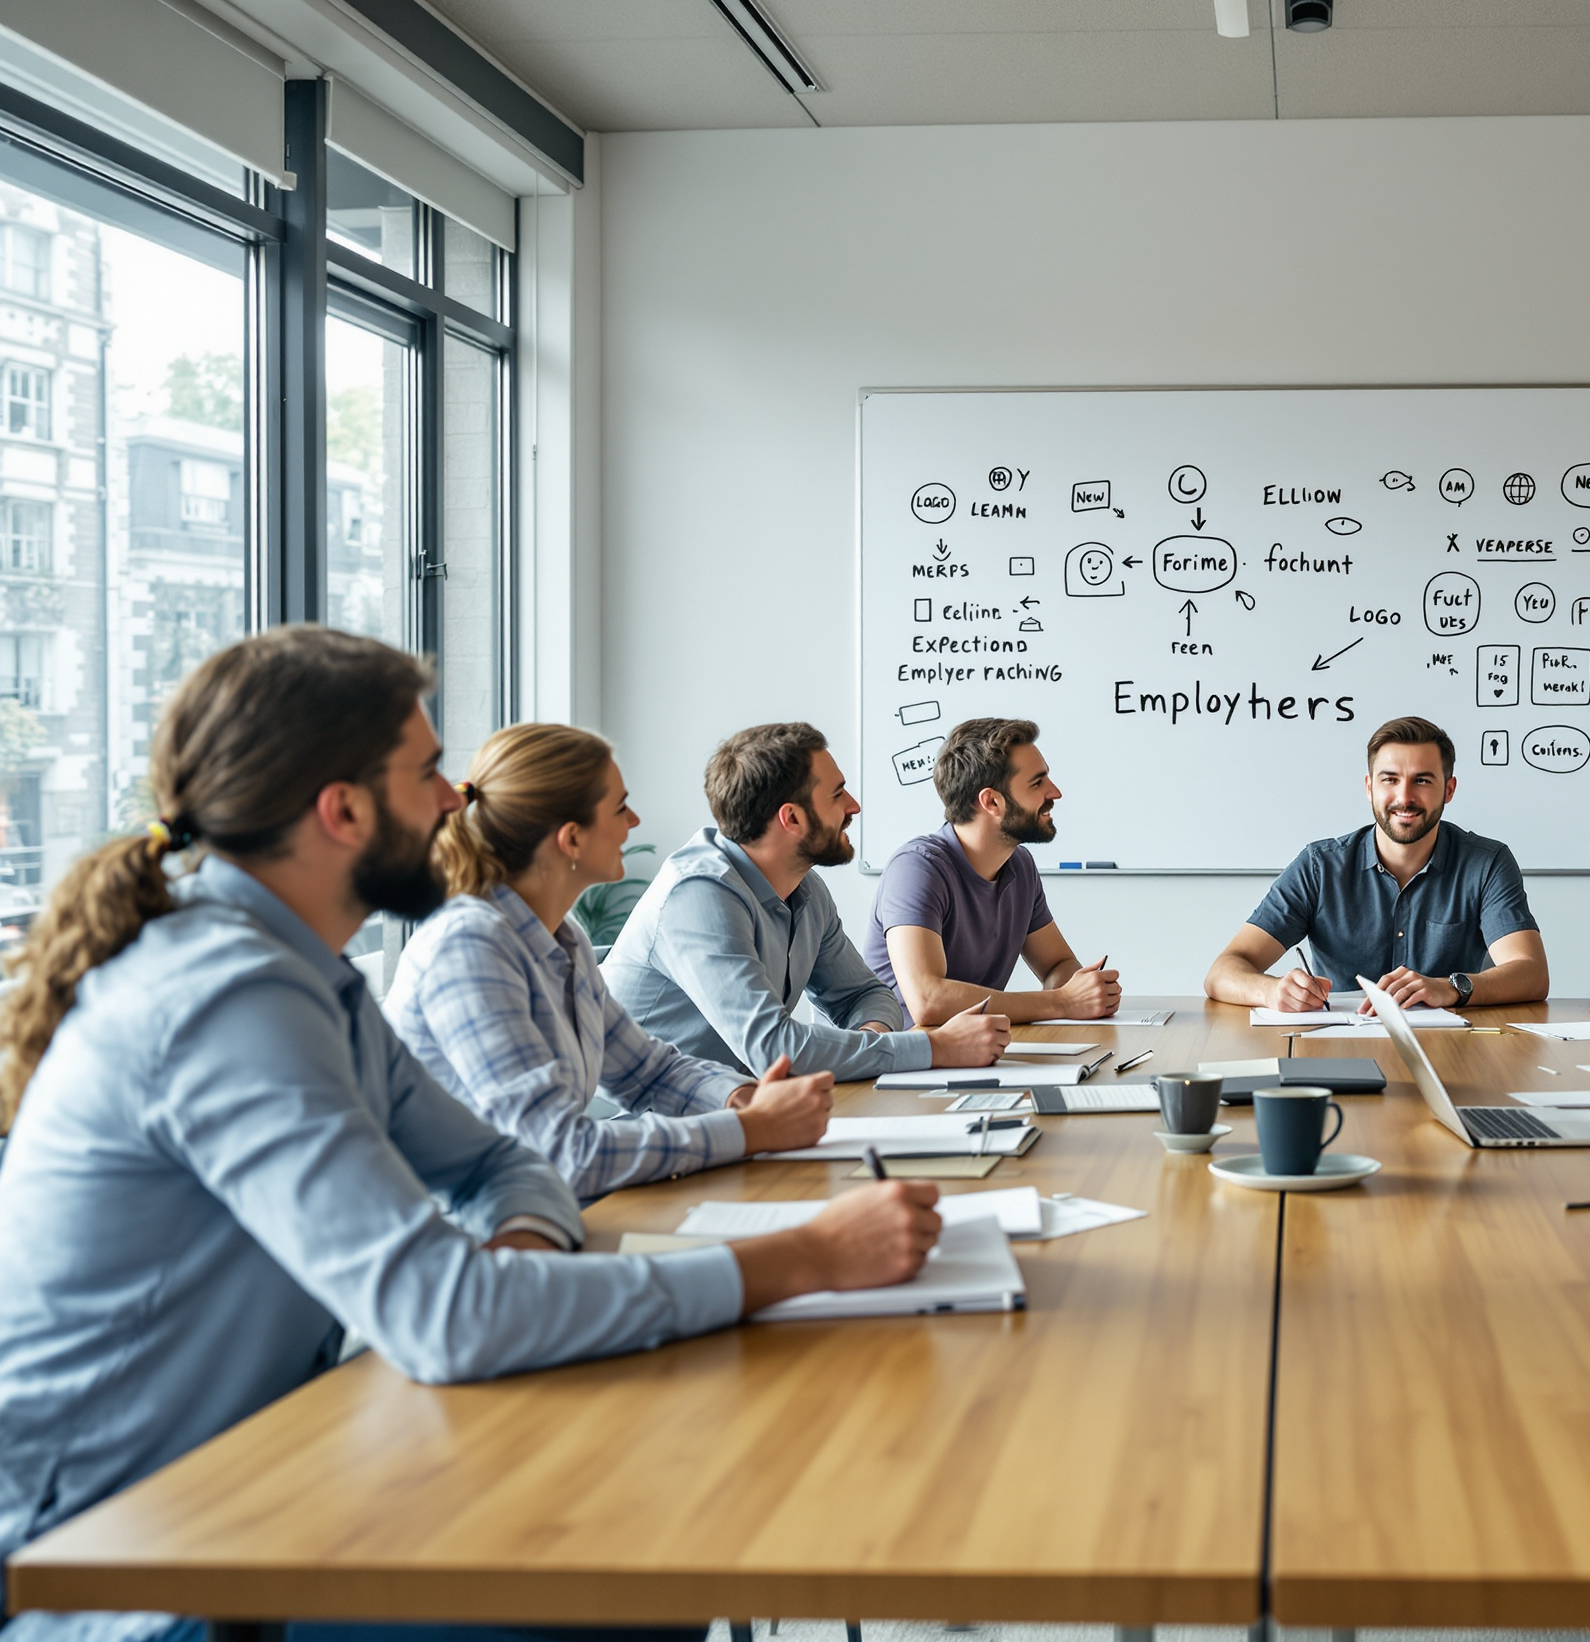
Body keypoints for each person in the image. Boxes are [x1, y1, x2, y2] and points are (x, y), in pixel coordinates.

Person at [0, 628, 944, 1627]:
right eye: (428, 769)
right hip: (140, 1572)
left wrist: (522, 1242)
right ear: (343, 807)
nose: (455, 799)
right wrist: (804, 1257)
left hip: (263, 1484)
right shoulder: (225, 997)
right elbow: (451, 1310)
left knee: (651, 1533)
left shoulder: (304, 972)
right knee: (636, 1568)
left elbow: (502, 1159)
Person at [386, 723, 846, 1199]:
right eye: (620, 807)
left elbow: (647, 1071)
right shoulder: (470, 949)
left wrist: (744, 1099)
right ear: (571, 839)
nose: (635, 823)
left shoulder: (562, 940)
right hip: (466, 1235)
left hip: (532, 1212)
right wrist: (752, 1129)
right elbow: (562, 1153)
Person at [606, 723, 1007, 1078]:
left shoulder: (805, 889)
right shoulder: (698, 895)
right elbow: (775, 1049)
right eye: (837, 795)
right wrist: (935, 1047)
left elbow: (867, 995)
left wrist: (872, 1043)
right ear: (792, 819)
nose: (854, 807)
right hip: (656, 1124)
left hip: (746, 1111)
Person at [1205, 715, 1549, 1012]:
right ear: (1370, 787)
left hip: (1453, 1045)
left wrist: (1450, 988)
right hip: (1339, 1047)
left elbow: (1531, 973)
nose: (1404, 797)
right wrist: (1272, 991)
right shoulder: (1319, 866)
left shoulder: (1486, 863)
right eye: (1390, 779)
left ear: (1449, 789)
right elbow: (1223, 972)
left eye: (1422, 780)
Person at [866, 718, 1123, 1024]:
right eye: (1038, 782)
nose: (1055, 792)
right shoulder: (917, 868)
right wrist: (1061, 1002)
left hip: (971, 1054)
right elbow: (927, 1001)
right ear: (991, 801)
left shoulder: (1019, 865)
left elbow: (1058, 964)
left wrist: (1082, 992)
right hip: (901, 1060)